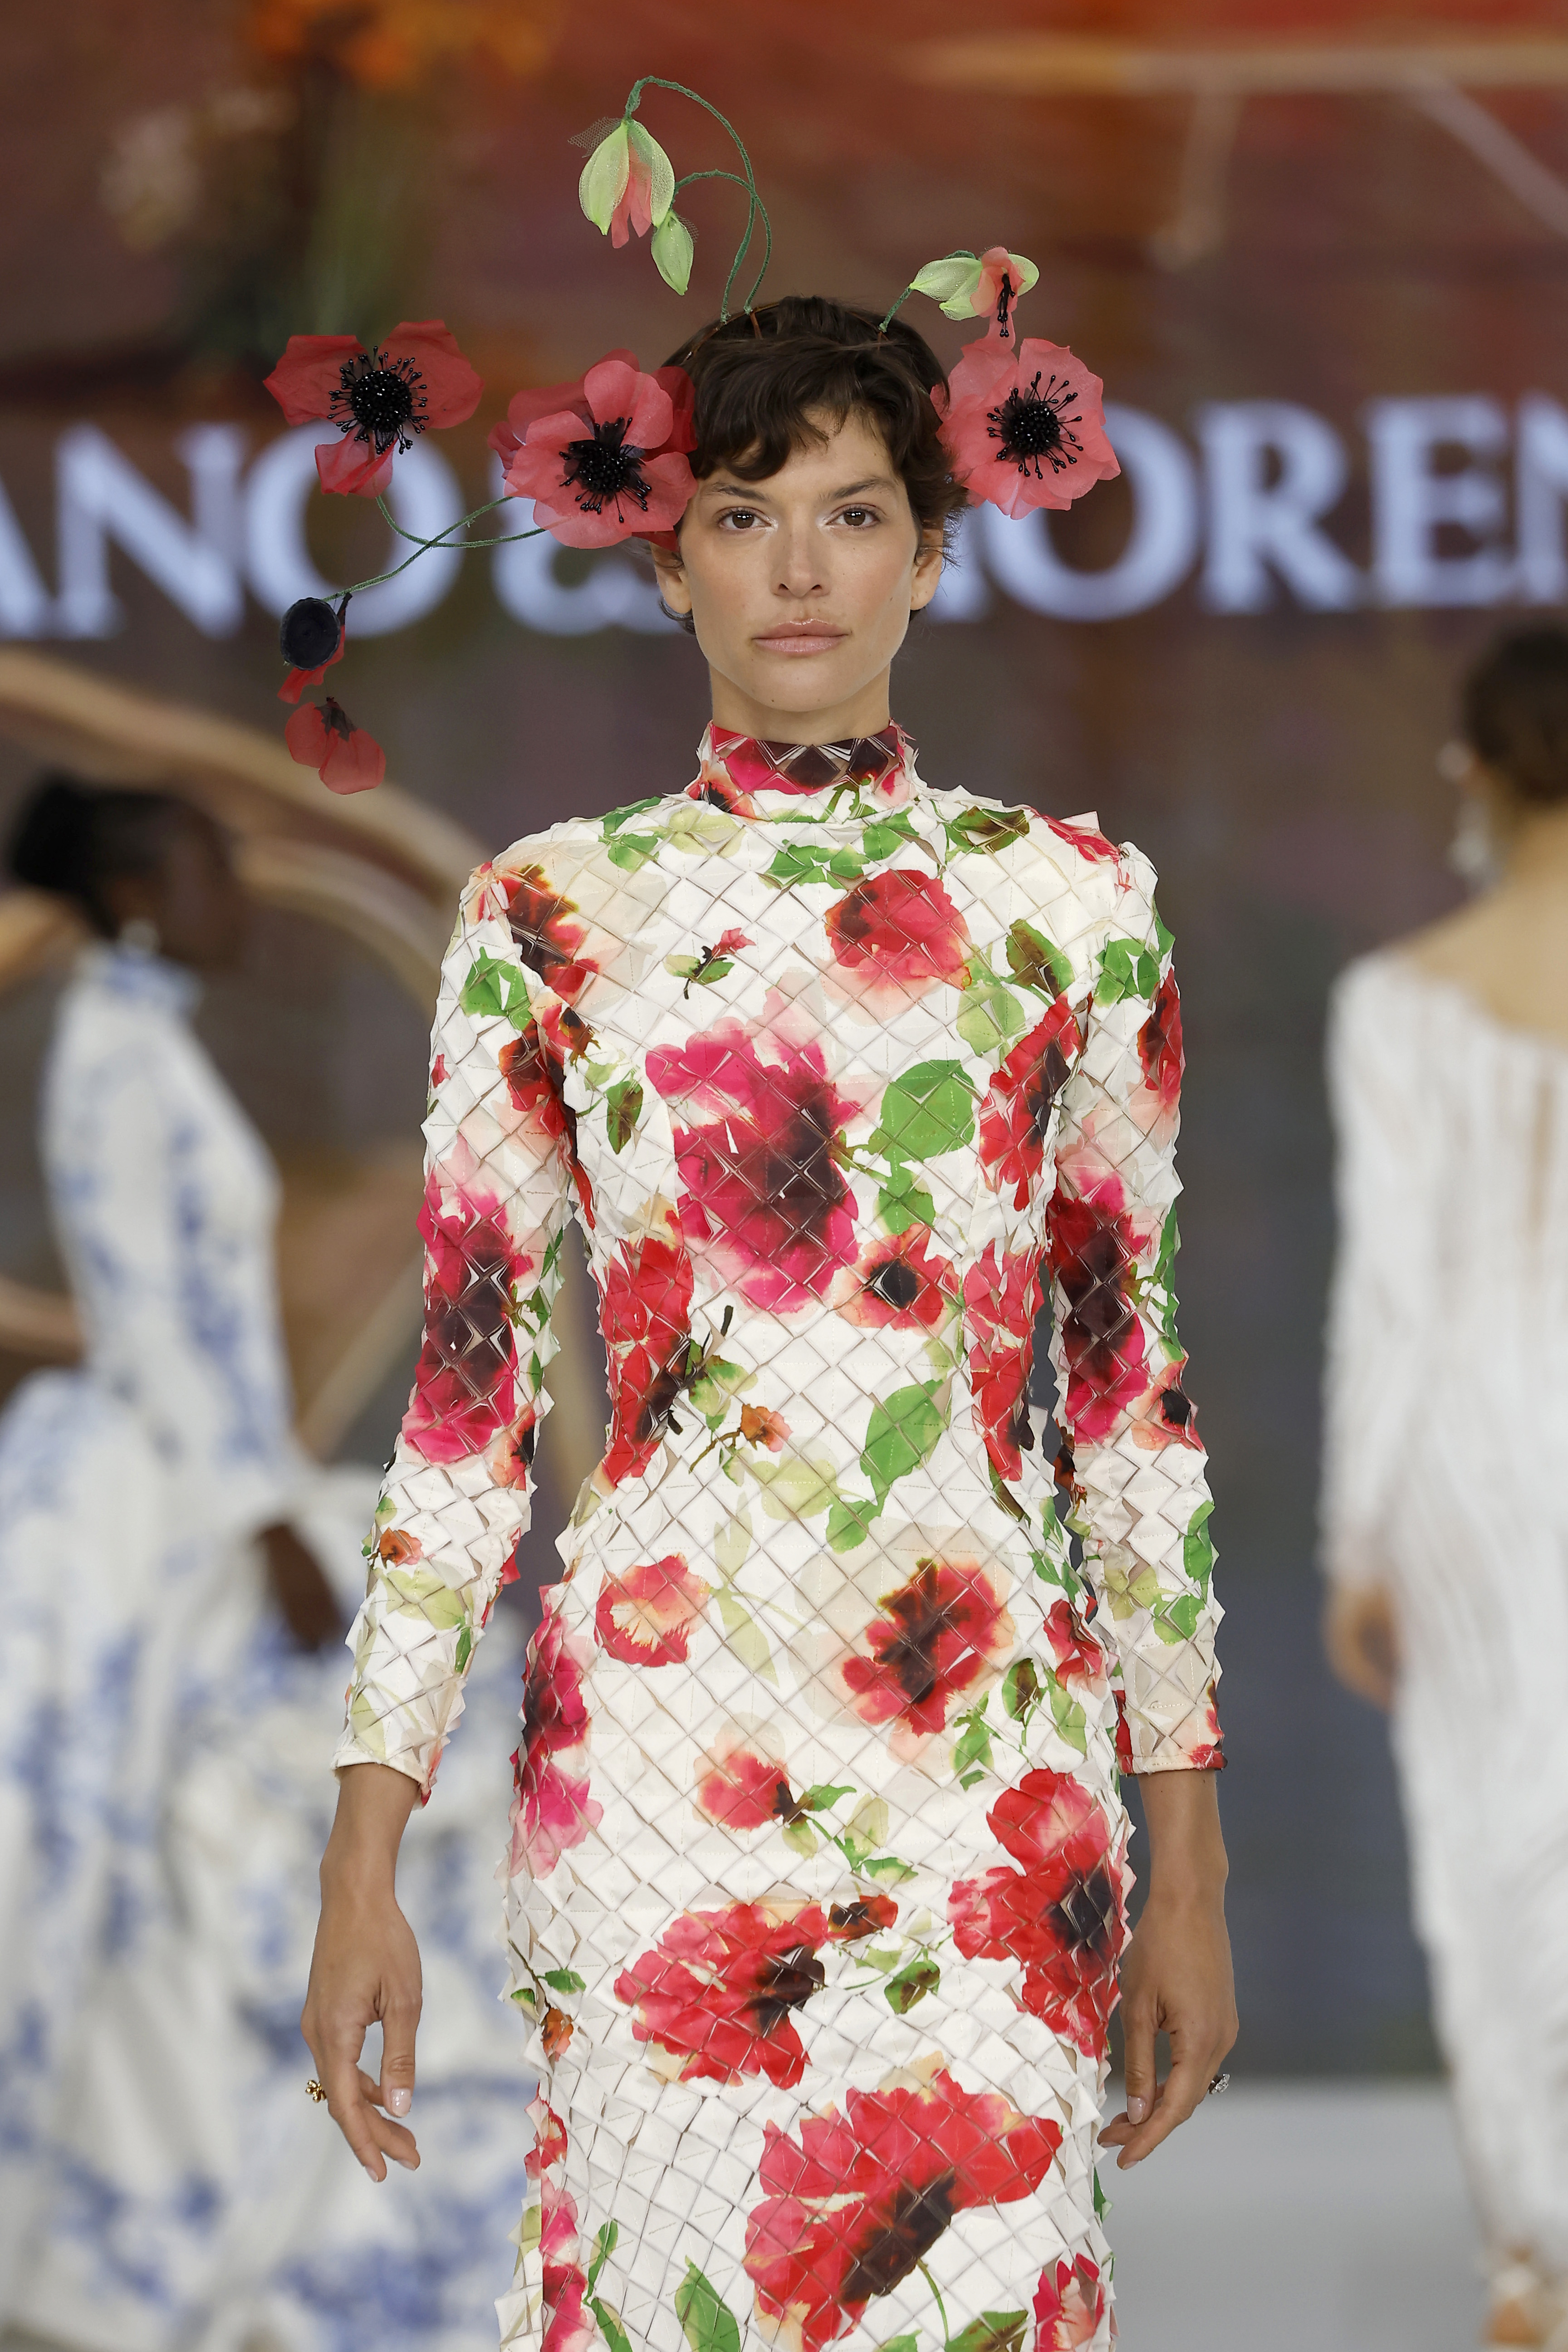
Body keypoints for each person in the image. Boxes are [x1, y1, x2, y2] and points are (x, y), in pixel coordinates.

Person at [303, 294, 1236, 2352]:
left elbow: (1128, 1402)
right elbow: (463, 1413)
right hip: (660, 1754)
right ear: (668, 563)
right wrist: (367, 1847)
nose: (800, 567)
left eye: (854, 512)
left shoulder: (1074, 905)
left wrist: (1194, 1863)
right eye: (743, 514)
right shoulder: (551, 912)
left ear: (933, 551)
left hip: (990, 1762)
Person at [0, 777, 532, 2352]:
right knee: (197, 1827)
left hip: (216, 1474)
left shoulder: (146, 1042)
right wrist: (258, 1524)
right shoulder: (115, 1055)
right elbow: (155, 1320)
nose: (235, 894)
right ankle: (186, 2233)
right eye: (205, 867)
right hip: (167, 1495)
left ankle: (304, 2227)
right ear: (136, 893)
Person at [1323, 625, 1568, 2350]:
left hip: (1478, 1449)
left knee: (1498, 1833)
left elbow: (1394, 1295)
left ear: (1476, 770)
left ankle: (1536, 2248)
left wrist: (1356, 1536)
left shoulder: (1403, 999)